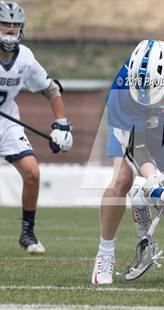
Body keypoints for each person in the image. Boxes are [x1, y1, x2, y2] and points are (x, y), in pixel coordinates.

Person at [91, 39, 164, 285]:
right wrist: (153, 182)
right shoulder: (121, 95)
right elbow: (138, 149)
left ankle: (141, 198)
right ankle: (105, 254)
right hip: (138, 124)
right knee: (122, 180)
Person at [0, 1, 73, 255]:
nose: (10, 31)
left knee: (32, 172)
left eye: (15, 26)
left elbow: (50, 88)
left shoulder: (25, 57)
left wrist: (62, 125)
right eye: (5, 25)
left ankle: (27, 232)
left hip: (7, 120)